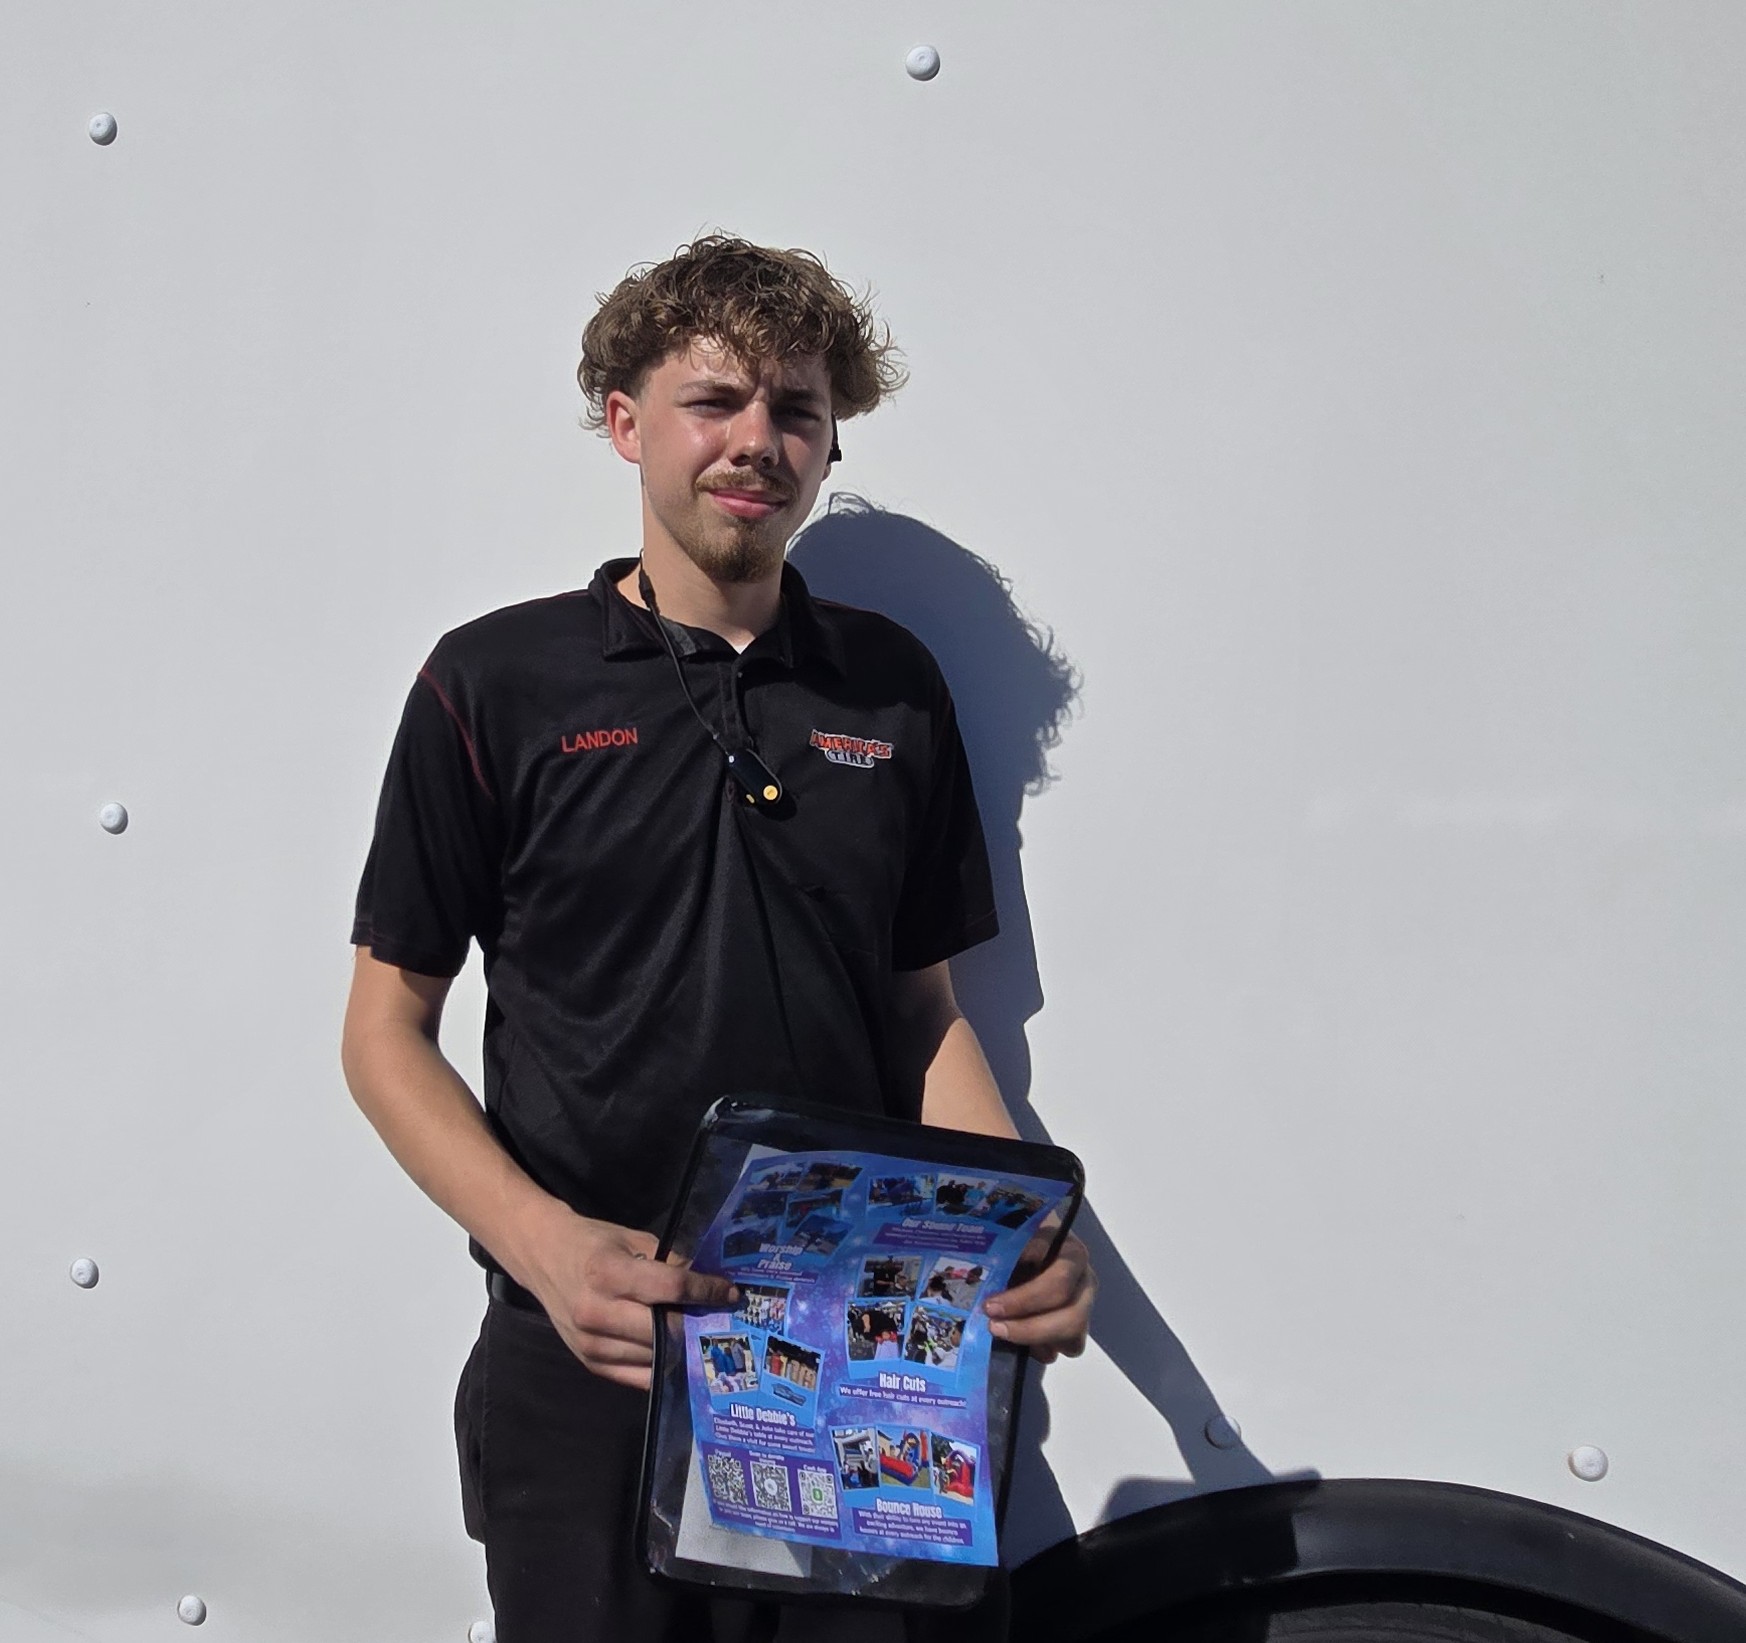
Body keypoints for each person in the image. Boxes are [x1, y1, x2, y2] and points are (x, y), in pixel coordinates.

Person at [339, 234, 1096, 1643]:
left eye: (795, 410)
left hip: (857, 1348)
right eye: (714, 401)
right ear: (626, 423)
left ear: (828, 444)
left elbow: (920, 1011)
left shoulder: (891, 688)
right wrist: (546, 1248)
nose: (757, 441)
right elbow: (384, 1031)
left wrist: (1016, 1225)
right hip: (595, 1358)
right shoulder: (494, 683)